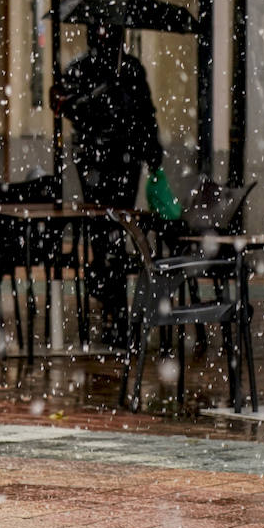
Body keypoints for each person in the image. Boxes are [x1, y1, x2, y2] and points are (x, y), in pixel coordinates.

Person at [51, 22, 164, 342]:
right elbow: (70, 107)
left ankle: (114, 302)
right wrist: (97, 96)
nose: (105, 40)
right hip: (96, 163)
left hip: (126, 161)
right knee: (104, 233)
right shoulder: (80, 68)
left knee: (118, 230)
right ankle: (110, 299)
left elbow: (145, 112)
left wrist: (151, 149)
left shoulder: (130, 68)